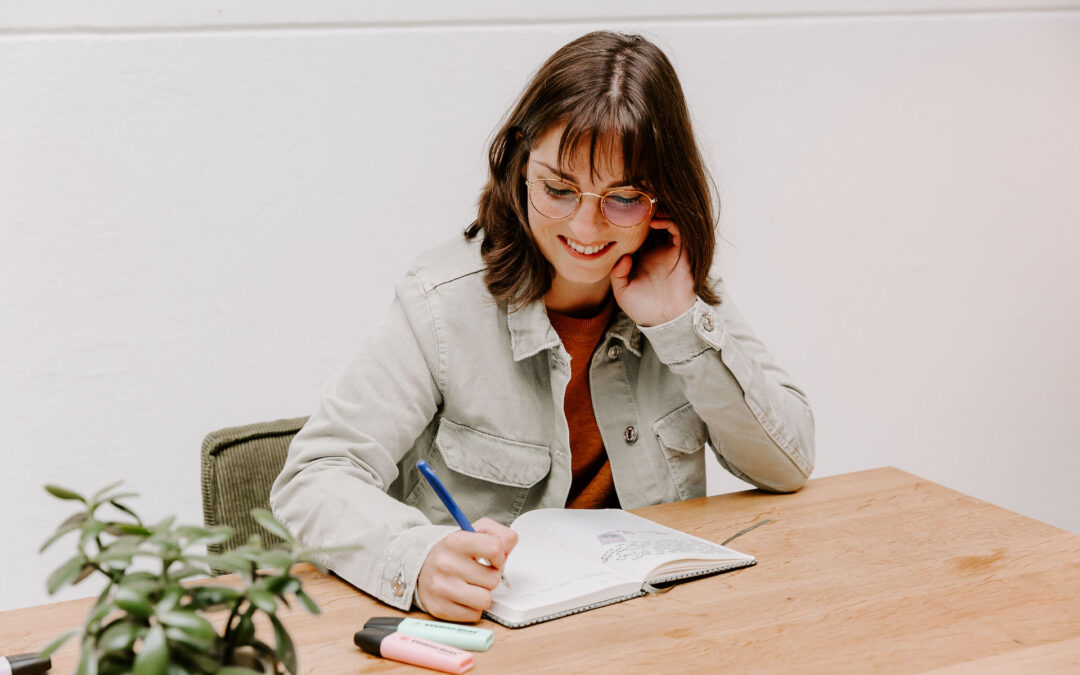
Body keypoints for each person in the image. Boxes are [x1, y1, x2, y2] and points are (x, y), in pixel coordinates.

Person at [270, 30, 814, 622]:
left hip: (653, 628)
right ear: (519, 165)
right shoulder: (440, 303)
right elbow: (313, 478)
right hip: (489, 638)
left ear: (662, 199)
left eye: (623, 198)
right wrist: (419, 558)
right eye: (558, 189)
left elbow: (786, 465)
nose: (585, 227)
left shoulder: (678, 287)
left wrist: (679, 324)